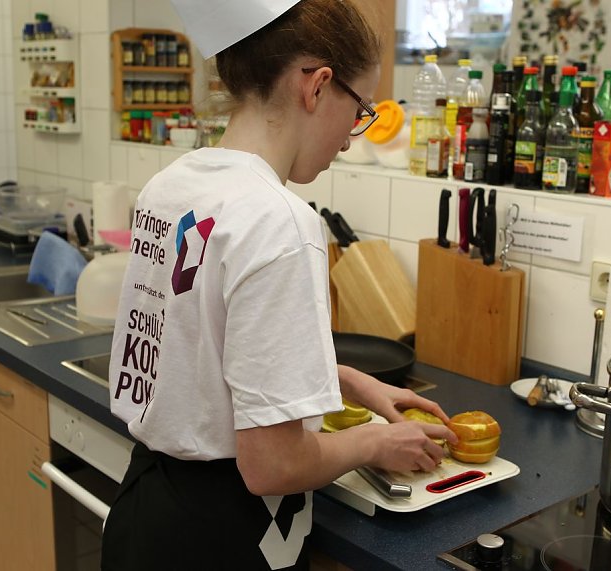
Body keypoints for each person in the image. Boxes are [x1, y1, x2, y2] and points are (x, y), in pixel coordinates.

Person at [100, 1, 457, 569]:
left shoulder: (171, 185)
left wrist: (344, 381)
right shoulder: (282, 222)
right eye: (359, 108)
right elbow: (272, 466)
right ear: (316, 87)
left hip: (146, 511)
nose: (348, 139)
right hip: (221, 536)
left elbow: (204, 350)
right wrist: (375, 442)